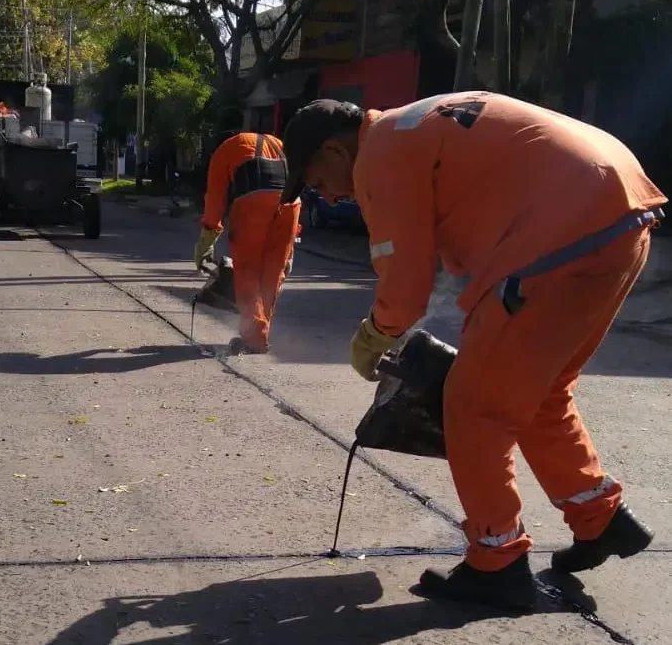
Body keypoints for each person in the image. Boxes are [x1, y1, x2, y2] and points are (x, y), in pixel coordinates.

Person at [280, 93, 667, 611]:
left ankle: (497, 564)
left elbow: (407, 283)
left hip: (561, 232)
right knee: (541, 393)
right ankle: (600, 519)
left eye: (317, 182)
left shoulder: (379, 156)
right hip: (620, 213)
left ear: (335, 151)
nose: (326, 198)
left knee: (473, 406)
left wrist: (375, 334)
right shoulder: (412, 126)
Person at [194, 131, 301, 354]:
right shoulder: (279, 143)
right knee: (274, 273)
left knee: (247, 272)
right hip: (292, 205)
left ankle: (255, 338)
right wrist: (290, 248)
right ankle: (260, 334)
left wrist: (206, 242)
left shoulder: (224, 150)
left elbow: (215, 199)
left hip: (254, 202)